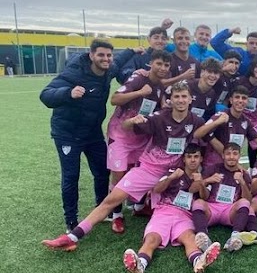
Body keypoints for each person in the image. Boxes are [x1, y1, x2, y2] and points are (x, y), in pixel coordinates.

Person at [41, 81, 221, 251]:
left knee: (184, 206)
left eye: (184, 96)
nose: (181, 100)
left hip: (174, 174)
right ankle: (72, 237)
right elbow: (127, 126)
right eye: (177, 97)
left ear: (191, 99)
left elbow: (205, 136)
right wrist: (132, 121)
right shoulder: (159, 118)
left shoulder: (196, 121)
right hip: (149, 170)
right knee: (111, 200)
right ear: (170, 100)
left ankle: (187, 236)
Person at [39, 39, 139, 232]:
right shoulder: (75, 72)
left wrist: (132, 50)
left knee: (102, 171)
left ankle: (102, 210)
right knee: (71, 176)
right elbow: (45, 95)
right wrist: (68, 92)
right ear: (91, 55)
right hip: (68, 133)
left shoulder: (109, 69)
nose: (106, 59)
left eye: (108, 55)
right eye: (101, 55)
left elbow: (119, 61)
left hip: (92, 132)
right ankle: (71, 221)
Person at [122, 144, 221, 273]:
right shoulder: (172, 171)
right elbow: (157, 189)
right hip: (164, 211)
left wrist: (201, 183)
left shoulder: (204, 176)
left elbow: (205, 197)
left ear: (201, 159)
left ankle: (199, 261)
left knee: (189, 238)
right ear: (184, 159)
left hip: (185, 214)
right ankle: (140, 265)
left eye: (196, 157)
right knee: (152, 239)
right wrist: (171, 178)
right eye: (189, 157)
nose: (193, 160)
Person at [106, 50, 171, 233]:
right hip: (120, 135)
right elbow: (115, 99)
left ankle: (138, 207)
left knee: (137, 173)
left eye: (166, 65)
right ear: (151, 63)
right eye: (159, 63)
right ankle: (116, 216)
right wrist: (140, 92)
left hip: (140, 137)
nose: (163, 68)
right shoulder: (138, 79)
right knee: (118, 175)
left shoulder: (160, 86)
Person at [192, 142, 257, 253]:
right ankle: (202, 235)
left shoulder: (243, 174)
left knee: (244, 202)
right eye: (228, 154)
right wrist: (207, 181)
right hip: (212, 208)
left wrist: (242, 182)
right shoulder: (213, 169)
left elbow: (249, 200)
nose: (231, 157)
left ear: (239, 156)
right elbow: (204, 196)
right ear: (223, 155)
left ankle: (235, 236)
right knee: (198, 202)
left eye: (235, 154)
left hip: (229, 211)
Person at [202, 85, 257, 167]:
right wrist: (220, 148)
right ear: (231, 100)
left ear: (247, 102)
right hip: (213, 166)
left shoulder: (246, 121)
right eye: (237, 97)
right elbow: (202, 132)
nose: (240, 101)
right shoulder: (221, 116)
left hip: (232, 166)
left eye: (244, 98)